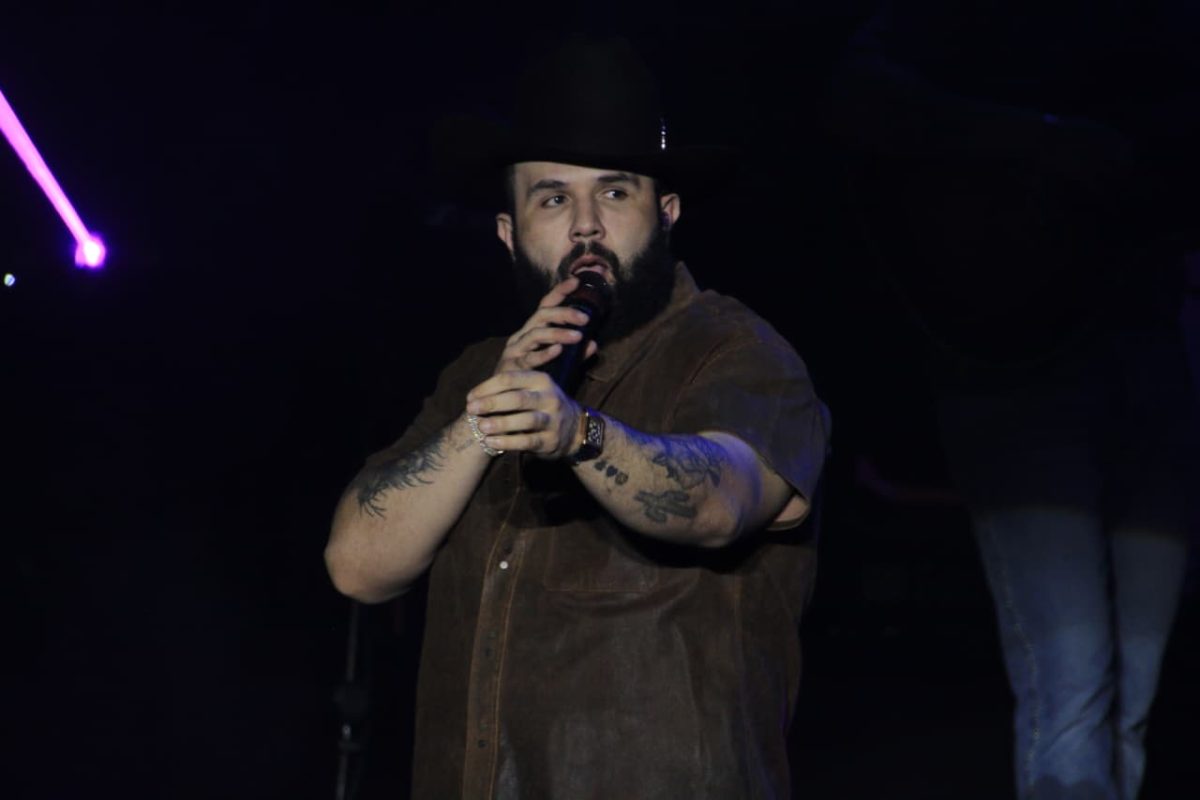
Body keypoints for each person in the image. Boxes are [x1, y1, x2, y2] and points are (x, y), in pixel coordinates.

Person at [325, 39, 830, 799]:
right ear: (509, 233)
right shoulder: (477, 376)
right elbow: (357, 567)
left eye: (616, 193)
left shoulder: (736, 351)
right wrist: (481, 424)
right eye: (554, 198)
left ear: (667, 212)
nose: (586, 226)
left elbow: (721, 501)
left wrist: (578, 433)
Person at [825, 3, 1199, 798]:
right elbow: (857, 93)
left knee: (1132, 693)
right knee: (1071, 686)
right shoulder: (963, 30)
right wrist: (1040, 139)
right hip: (1018, 356)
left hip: (1156, 344)